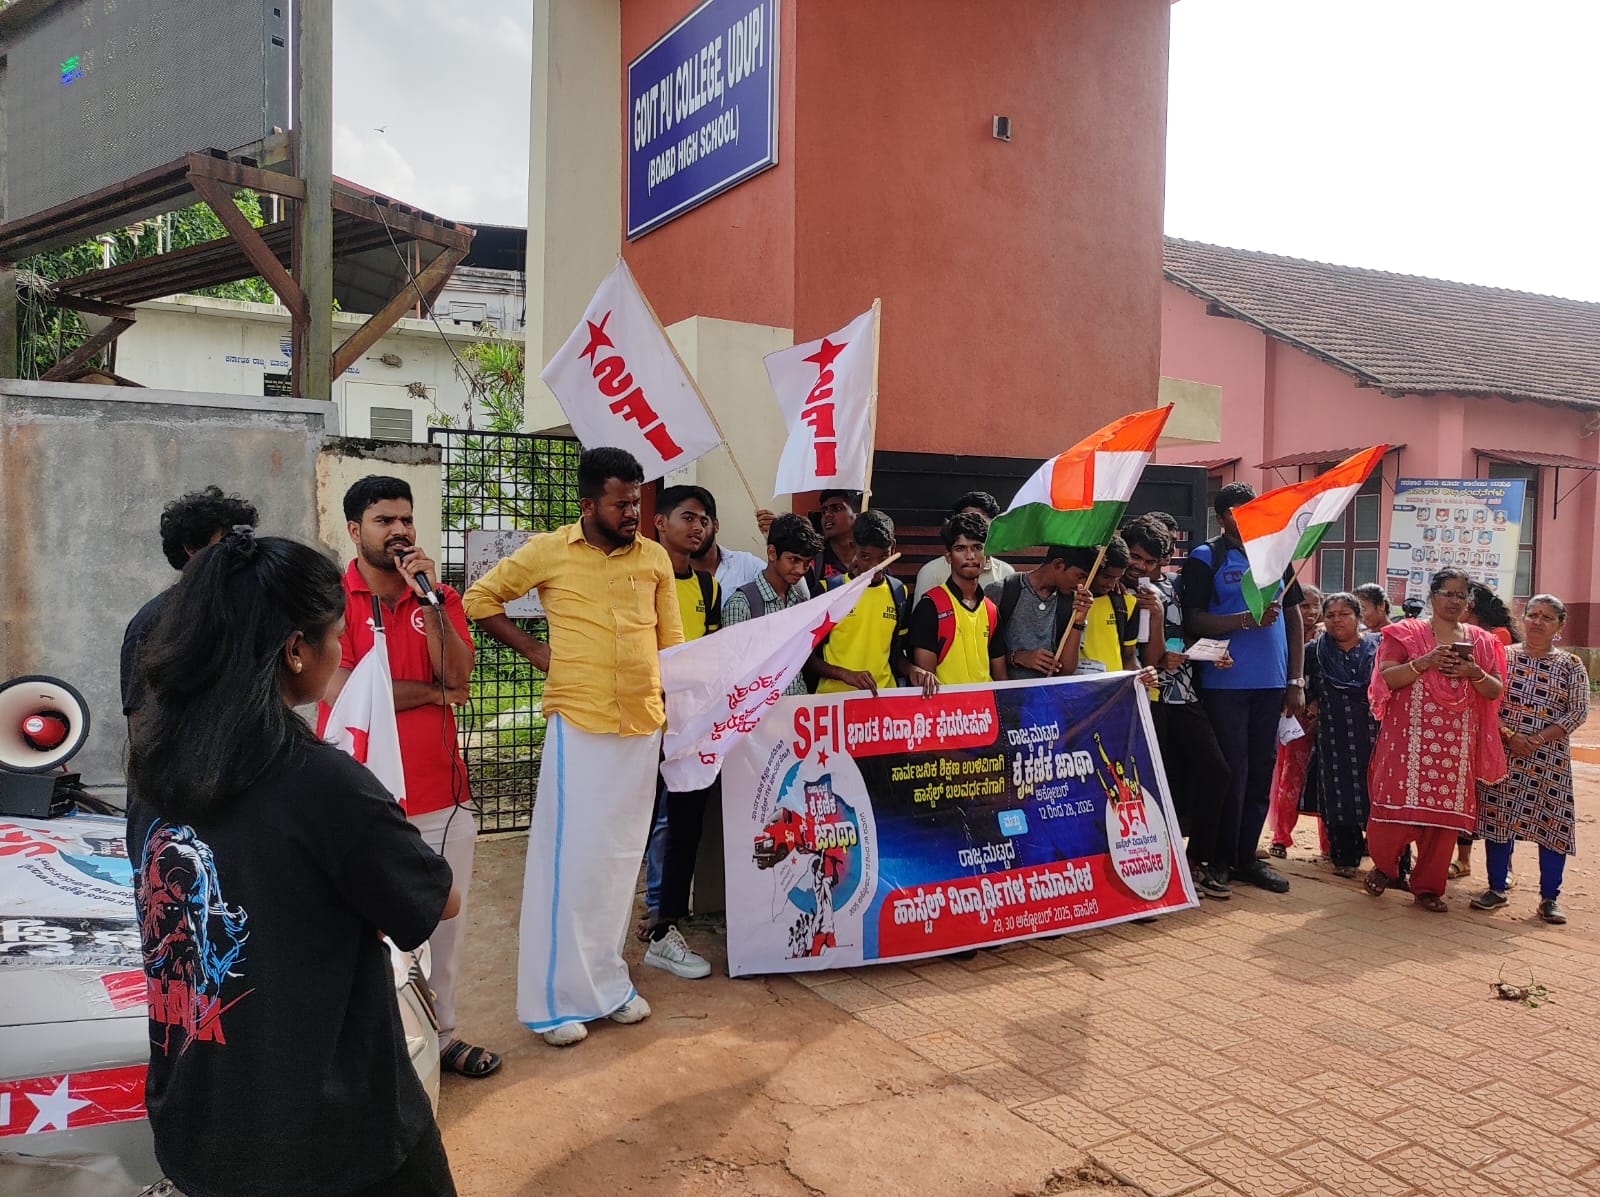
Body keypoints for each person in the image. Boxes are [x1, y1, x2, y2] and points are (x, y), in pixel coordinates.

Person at [127, 530, 459, 1196]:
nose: (340, 652)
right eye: (335, 635)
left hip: (200, 1115)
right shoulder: (319, 781)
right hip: (333, 1133)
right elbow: (436, 900)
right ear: (296, 649)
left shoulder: (152, 769)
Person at [463, 447, 684, 1046]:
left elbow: (672, 645)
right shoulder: (549, 551)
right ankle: (553, 1002)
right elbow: (479, 600)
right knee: (569, 862)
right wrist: (535, 650)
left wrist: (679, 717)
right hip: (580, 726)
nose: (632, 513)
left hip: (641, 726)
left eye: (636, 501)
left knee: (618, 863)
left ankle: (608, 987)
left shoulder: (655, 558)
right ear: (588, 504)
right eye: (620, 504)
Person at [316, 477, 497, 1079]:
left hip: (442, 793)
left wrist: (431, 603)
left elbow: (460, 677)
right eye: (383, 520)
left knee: (444, 926)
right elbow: (340, 691)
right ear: (354, 530)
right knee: (360, 930)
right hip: (356, 797)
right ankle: (369, 1051)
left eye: (406, 519)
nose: (398, 531)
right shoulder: (329, 600)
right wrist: (431, 693)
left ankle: (441, 1038)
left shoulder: (438, 596)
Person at [1182, 482, 1305, 894]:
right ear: (1221, 518)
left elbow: (1293, 617)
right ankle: (1218, 858)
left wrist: (1296, 680)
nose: (1245, 519)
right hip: (1224, 683)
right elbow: (1194, 619)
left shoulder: (1276, 553)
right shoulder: (1206, 557)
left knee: (1260, 769)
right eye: (1236, 513)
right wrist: (1243, 621)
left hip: (1272, 681)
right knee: (1231, 771)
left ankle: (1246, 857)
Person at [1364, 567, 1506, 912]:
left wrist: (1474, 672)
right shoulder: (1406, 634)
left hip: (1454, 748)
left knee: (1443, 821)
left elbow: (1494, 690)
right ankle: (1384, 866)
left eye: (1461, 595)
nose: (1455, 601)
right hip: (1406, 741)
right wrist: (1424, 661)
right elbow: (1388, 677)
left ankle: (1428, 888)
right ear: (1432, 596)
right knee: (1393, 809)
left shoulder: (1482, 642)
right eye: (1448, 594)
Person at [1122, 517, 1232, 899]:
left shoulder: (1172, 586)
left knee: (1216, 772)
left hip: (1183, 692)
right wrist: (1158, 654)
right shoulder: (1114, 586)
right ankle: (1156, 867)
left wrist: (1210, 653)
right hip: (1144, 698)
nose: (1140, 566)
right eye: (1135, 557)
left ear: (1163, 561)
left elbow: (1180, 634)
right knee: (1156, 783)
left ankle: (1196, 860)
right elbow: (1143, 655)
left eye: (1150, 561)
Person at [639, 485, 724, 979]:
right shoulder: (639, 579)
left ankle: (665, 925)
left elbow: (709, 657)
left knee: (684, 827)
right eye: (688, 517)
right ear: (660, 522)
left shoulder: (708, 588)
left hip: (691, 727)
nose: (698, 527)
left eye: (704, 519)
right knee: (634, 824)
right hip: (640, 723)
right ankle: (621, 921)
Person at [1471, 594, 1589, 924]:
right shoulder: (1503, 656)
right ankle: (1496, 888)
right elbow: (1486, 703)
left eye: (1547, 617)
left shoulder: (1571, 665)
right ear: (1523, 619)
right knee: (1499, 820)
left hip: (1549, 760)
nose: (1538, 622)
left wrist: (1536, 739)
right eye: (1533, 615)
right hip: (1504, 754)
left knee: (1552, 825)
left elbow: (1578, 711)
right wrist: (1511, 735)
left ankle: (1549, 898)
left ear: (1560, 626)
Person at [120, 485, 259, 719]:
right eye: (227, 539)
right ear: (192, 548)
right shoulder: (153, 621)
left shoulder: (254, 606)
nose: (241, 548)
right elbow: (141, 716)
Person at [809, 510, 937, 696]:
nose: (874, 566)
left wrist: (913, 670)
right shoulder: (829, 591)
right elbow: (807, 658)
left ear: (893, 548)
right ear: (853, 547)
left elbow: (895, 654)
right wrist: (844, 674)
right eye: (866, 557)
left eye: (883, 557)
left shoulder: (898, 592)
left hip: (882, 699)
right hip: (835, 700)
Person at [1305, 592, 1381, 876]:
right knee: (1338, 795)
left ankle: (1390, 862)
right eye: (1330, 615)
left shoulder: (1379, 647)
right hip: (1334, 735)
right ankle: (1345, 858)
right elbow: (1305, 688)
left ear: (1359, 618)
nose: (1337, 620)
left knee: (1379, 795)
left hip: (1375, 734)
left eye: (1344, 614)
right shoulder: (1314, 651)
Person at [1451, 580, 1521, 879]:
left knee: (1496, 800)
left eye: (1459, 598)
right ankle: (1463, 859)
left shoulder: (1498, 636)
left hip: (1495, 724)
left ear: (1471, 605)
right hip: (1465, 723)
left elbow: (1495, 682)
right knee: (1463, 793)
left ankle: (1506, 867)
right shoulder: (1457, 634)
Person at [724, 513, 825, 697]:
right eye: (794, 560)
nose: (800, 570)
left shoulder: (799, 603)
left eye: (806, 563)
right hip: (760, 710)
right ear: (772, 553)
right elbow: (733, 674)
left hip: (798, 706)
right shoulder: (741, 604)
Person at [907, 512, 1007, 685]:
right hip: (947, 703)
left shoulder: (991, 610)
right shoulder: (930, 606)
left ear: (988, 556)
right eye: (960, 548)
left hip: (984, 702)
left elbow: (1001, 679)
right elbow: (925, 683)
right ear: (948, 557)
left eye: (977, 547)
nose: (970, 556)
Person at [1267, 585, 1325, 859]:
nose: (1310, 611)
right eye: (1304, 606)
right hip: (1293, 718)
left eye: (1315, 605)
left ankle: (1329, 844)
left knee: (1326, 779)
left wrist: (1318, 708)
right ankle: (1281, 837)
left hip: (1325, 718)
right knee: (1289, 777)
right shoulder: (1284, 635)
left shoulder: (1327, 638)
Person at [986, 545, 1092, 680]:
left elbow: (1066, 669)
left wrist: (1078, 623)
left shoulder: (1074, 602)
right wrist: (1018, 657)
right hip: (1005, 689)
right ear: (1058, 564)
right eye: (1080, 576)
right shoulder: (1002, 591)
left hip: (1048, 691)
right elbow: (980, 653)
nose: (1081, 584)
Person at [913, 491, 1017, 603]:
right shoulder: (932, 572)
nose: (973, 528)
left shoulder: (1005, 573)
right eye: (966, 522)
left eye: (981, 523)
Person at [1062, 535, 1137, 676]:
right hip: (1075, 684)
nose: (1111, 584)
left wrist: (1140, 677)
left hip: (1112, 687)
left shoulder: (1127, 603)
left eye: (1117, 578)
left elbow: (1129, 656)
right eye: (1106, 577)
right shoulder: (1067, 599)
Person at [692, 493, 770, 592]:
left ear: (715, 525)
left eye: (703, 522)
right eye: (688, 519)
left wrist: (777, 539)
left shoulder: (745, 565)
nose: (696, 528)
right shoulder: (672, 574)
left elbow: (783, 587)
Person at [806, 489, 862, 591]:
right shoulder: (812, 561)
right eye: (824, 511)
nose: (827, 514)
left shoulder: (872, 557)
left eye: (837, 508)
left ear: (857, 516)